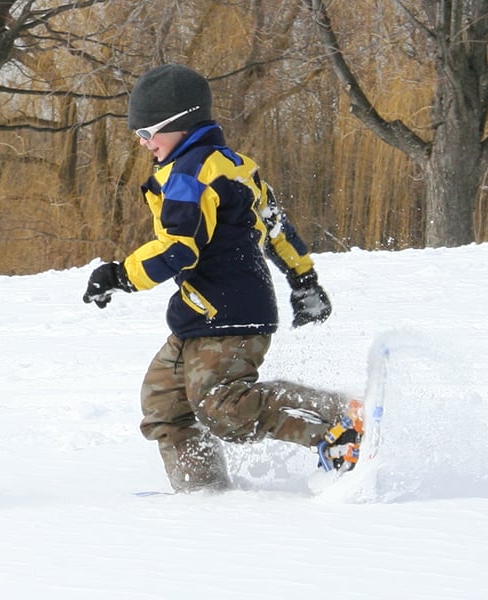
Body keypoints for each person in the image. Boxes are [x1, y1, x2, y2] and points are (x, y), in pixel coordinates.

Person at [82, 64, 361, 493]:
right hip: (201, 314)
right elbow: (275, 226)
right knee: (164, 404)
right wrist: (303, 280)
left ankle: (336, 421)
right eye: (138, 135)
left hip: (227, 312)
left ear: (181, 123)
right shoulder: (231, 166)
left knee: (223, 408)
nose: (144, 143)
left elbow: (178, 248)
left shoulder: (190, 173)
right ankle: (203, 492)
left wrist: (121, 274)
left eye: (148, 132)